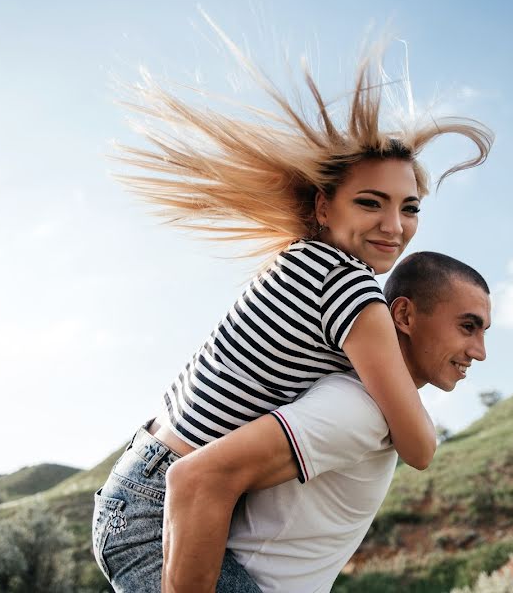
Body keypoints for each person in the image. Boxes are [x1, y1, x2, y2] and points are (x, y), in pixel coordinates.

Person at [92, 22, 492, 592]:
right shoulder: (352, 291)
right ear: (324, 208)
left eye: (410, 208)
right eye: (371, 203)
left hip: (145, 479)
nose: (394, 225)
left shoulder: (298, 261)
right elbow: (420, 446)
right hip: (161, 507)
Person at [163, 252, 492, 592]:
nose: (480, 351)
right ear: (405, 315)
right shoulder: (359, 408)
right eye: (468, 327)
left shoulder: (382, 408)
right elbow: (194, 479)